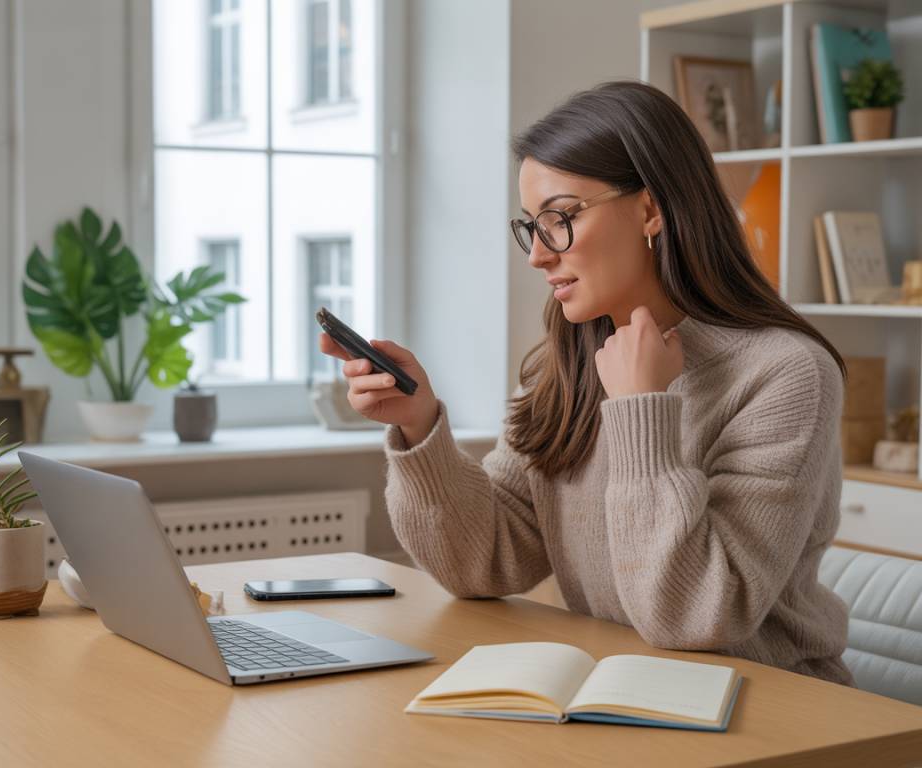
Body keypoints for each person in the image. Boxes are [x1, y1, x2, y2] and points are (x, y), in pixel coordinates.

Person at [319, 80, 855, 686]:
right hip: (625, 690)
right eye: (532, 226)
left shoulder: (786, 373)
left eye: (561, 218)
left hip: (773, 703)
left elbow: (696, 615)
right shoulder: (571, 361)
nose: (538, 255)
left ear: (650, 209)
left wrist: (642, 410)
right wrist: (419, 426)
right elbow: (485, 561)